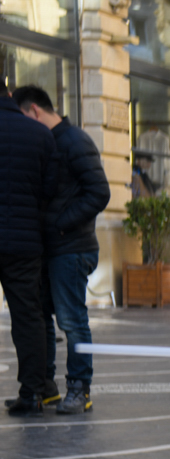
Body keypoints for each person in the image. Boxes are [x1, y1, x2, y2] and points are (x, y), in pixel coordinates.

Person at [13, 86, 110, 415]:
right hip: (49, 247)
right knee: (40, 318)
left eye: (23, 117)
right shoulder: (49, 141)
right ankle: (46, 388)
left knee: (72, 320)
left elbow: (99, 192)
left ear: (35, 111)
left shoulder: (75, 140)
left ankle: (80, 389)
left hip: (71, 247)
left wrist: (60, 224)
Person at [0, 77, 57, 417]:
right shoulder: (40, 135)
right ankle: (33, 392)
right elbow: (50, 190)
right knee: (27, 317)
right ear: (8, 93)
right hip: (24, 241)